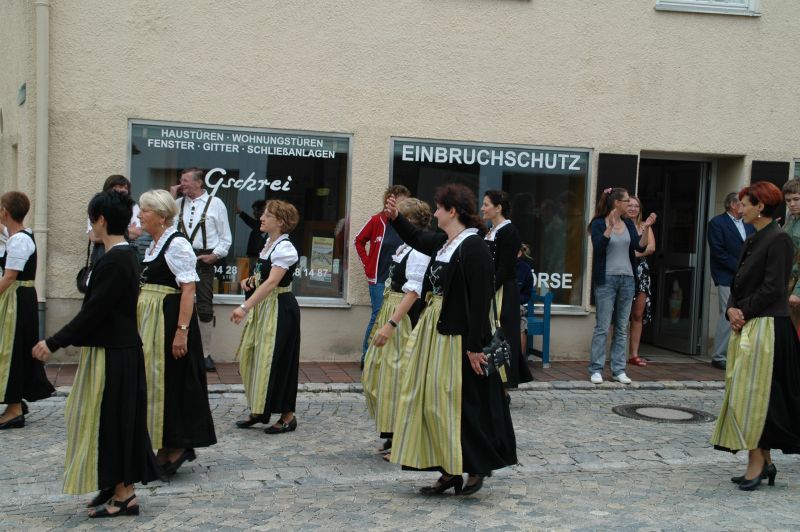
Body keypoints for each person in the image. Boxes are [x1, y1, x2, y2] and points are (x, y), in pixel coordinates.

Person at [32, 191, 161, 518]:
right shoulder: (117, 255)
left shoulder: (117, 259)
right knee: (103, 419)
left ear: (101, 220)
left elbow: (94, 312)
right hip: (112, 351)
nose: (89, 225)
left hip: (114, 355)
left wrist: (53, 342)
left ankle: (125, 494)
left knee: (114, 421)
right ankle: (112, 483)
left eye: (91, 219)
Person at [386, 183, 517, 496]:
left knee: (459, 404)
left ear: (453, 211)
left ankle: (474, 466)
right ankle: (448, 469)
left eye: (439, 208)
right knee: (433, 402)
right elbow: (418, 239)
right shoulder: (446, 243)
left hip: (459, 337)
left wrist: (474, 346)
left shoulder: (474, 247)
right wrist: (395, 218)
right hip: (436, 333)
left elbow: (481, 299)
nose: (435, 213)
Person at [710, 181, 800, 491]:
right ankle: (765, 461)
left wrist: (742, 312)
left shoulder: (779, 239)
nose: (740, 208)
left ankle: (757, 462)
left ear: (760, 207)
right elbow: (738, 282)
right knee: (747, 394)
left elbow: (774, 288)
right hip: (750, 324)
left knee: (759, 397)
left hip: (769, 328)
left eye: (745, 204)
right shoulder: (753, 238)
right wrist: (731, 310)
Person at [137, 190, 217, 475]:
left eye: (145, 210)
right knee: (160, 382)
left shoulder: (177, 244)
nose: (139, 215)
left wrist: (182, 332)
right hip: (154, 323)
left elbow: (188, 290)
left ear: (161, 216)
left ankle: (178, 444)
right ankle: (164, 445)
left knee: (172, 382)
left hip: (169, 322)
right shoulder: (154, 244)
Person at [361, 198, 431, 460]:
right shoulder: (405, 247)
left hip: (402, 318)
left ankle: (402, 437)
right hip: (390, 309)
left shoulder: (419, 252)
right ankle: (391, 430)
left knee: (398, 377)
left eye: (399, 216)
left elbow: (413, 292)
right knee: (379, 375)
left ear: (410, 221)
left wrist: (391, 324)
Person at [231, 200, 301, 434]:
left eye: (267, 215)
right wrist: (250, 280)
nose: (261, 218)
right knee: (254, 357)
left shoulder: (285, 248)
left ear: (280, 221)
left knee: (278, 361)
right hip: (265, 308)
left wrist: (245, 306)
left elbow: (272, 283)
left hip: (280, 309)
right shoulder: (269, 244)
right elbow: (264, 277)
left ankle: (288, 416)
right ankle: (259, 409)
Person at [587, 187, 655, 385]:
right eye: (626, 201)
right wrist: (609, 227)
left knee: (622, 326)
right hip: (606, 279)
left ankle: (618, 369)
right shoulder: (598, 223)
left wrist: (647, 227)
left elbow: (639, 246)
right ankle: (596, 369)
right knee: (602, 326)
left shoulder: (628, 223)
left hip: (627, 279)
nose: (629, 205)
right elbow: (599, 246)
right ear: (617, 203)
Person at [170, 167, 232, 372]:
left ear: (199, 182)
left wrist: (215, 255)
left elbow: (225, 237)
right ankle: (177, 349)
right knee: (175, 303)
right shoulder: (177, 203)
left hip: (203, 259)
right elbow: (165, 226)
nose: (182, 184)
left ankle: (205, 354)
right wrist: (171, 197)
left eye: (186, 180)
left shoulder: (216, 203)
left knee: (204, 307)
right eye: (181, 180)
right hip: (179, 259)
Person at [0, 192, 54, 429]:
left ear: (5, 212)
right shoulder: (17, 236)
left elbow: (9, 276)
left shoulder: (19, 240)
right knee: (14, 349)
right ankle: (15, 403)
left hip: (17, 301)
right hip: (19, 298)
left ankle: (14, 409)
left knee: (13, 350)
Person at [481, 189, 534, 391]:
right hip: (493, 288)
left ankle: (502, 387)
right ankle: (491, 384)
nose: (482, 208)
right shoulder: (491, 230)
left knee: (502, 335)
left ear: (498, 208)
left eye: (486, 204)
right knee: (490, 334)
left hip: (502, 291)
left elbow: (505, 268)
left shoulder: (509, 231)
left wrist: (488, 289)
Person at [354, 185, 410, 365]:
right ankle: (367, 357)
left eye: (405, 202)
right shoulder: (376, 221)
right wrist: (367, 264)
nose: (402, 205)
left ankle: (385, 359)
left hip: (400, 281)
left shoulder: (406, 224)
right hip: (379, 278)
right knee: (378, 315)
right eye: (399, 201)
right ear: (388, 201)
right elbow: (358, 241)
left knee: (395, 318)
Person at [707, 192, 756, 370]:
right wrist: (741, 267)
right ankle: (719, 356)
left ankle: (736, 354)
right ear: (733, 205)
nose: (745, 206)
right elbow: (718, 252)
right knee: (728, 314)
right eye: (742, 203)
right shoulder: (717, 223)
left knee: (744, 314)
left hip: (748, 277)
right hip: (727, 276)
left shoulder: (749, 223)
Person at [87, 175, 142, 267]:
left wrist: (107, 230)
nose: (124, 190)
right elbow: (93, 236)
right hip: (102, 252)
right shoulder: (98, 205)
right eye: (120, 187)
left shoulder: (132, 206)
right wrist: (126, 230)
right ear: (109, 188)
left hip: (127, 250)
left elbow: (137, 232)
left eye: (126, 188)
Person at [626, 196, 656, 367]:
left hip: (641, 272)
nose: (633, 208)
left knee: (637, 314)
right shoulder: (620, 225)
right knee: (620, 315)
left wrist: (636, 254)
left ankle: (634, 354)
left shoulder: (645, 226)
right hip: (624, 270)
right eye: (629, 205)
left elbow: (651, 247)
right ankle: (618, 353)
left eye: (636, 206)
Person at [781, 179, 800, 332]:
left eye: (796, 199)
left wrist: (798, 292)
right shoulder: (790, 218)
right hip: (786, 282)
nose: (792, 204)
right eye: (788, 200)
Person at [235, 199, 268, 271]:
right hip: (253, 255)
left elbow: (254, 224)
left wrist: (241, 213)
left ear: (262, 211)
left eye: (255, 210)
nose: (254, 213)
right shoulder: (259, 225)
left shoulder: (263, 225)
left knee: (254, 273)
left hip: (257, 256)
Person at [517, 244, 534, 359]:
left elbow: (527, 294)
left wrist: (515, 300)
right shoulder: (499, 265)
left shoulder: (525, 269)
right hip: (497, 304)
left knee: (522, 322)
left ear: (519, 253)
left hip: (516, 305)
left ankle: (520, 361)